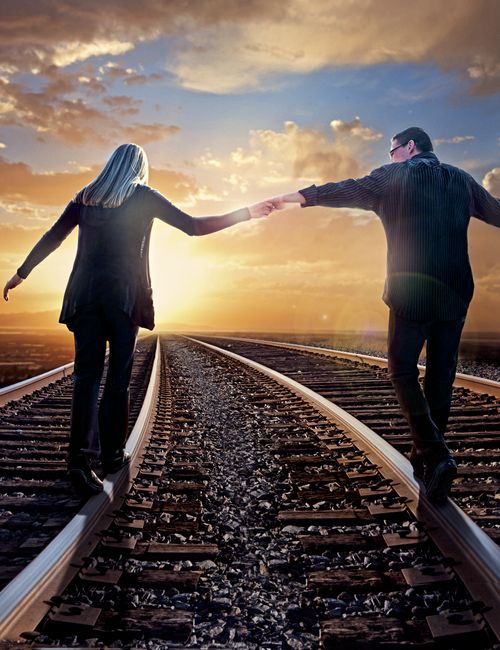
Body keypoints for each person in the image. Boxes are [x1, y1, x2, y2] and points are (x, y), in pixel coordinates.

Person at [3, 143, 273, 496]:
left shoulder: (86, 197)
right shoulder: (143, 196)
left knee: (87, 376)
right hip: (124, 299)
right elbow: (192, 226)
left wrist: (21, 273)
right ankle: (113, 455)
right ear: (138, 169)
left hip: (83, 297)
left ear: (111, 165)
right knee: (118, 376)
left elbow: (53, 237)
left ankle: (78, 462)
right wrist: (246, 213)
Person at [267, 126, 500, 505]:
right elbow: (498, 212)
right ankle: (429, 460)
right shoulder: (462, 179)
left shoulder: (392, 176)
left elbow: (342, 189)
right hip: (456, 293)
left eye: (392, 150)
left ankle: (435, 453)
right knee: (442, 375)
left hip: (411, 293)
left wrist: (292, 198)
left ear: (409, 147)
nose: (390, 156)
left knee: (401, 369)